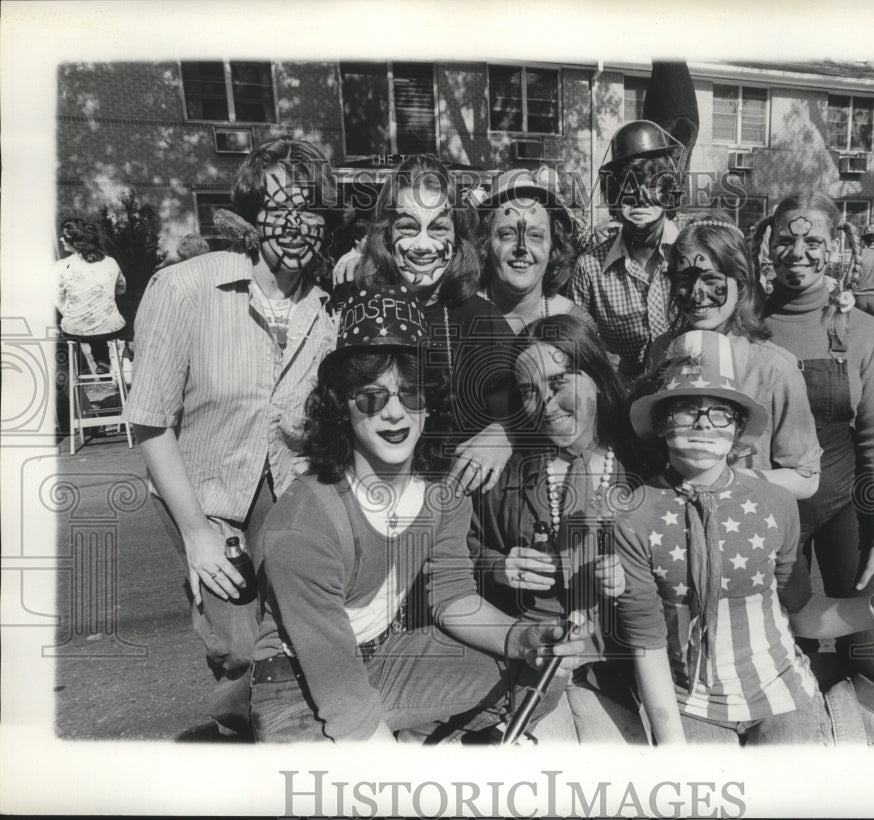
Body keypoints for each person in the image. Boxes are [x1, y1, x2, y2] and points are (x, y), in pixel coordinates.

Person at [250, 290, 588, 742]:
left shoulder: (443, 492)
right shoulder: (304, 518)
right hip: (296, 684)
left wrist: (521, 638)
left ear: (429, 402)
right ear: (341, 405)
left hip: (384, 658)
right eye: (371, 397)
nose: (394, 412)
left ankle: (417, 743)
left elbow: (454, 600)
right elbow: (335, 679)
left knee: (540, 671)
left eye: (411, 393)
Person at [616, 331, 874, 745]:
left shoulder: (774, 502)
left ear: (737, 429)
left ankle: (845, 709)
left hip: (780, 692)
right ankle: (844, 715)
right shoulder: (634, 512)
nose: (703, 423)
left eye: (719, 412)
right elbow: (646, 642)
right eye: (685, 410)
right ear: (661, 421)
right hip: (691, 704)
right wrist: (672, 747)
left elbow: (803, 612)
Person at [123, 136, 339, 735]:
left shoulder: (327, 310)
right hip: (207, 497)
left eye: (312, 210)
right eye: (281, 209)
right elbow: (149, 422)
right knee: (239, 647)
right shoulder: (184, 288)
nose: (297, 226)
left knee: (297, 637)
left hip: (289, 494)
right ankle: (237, 734)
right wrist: (197, 536)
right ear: (250, 215)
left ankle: (291, 740)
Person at [753, 191, 874, 705]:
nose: (797, 251)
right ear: (768, 243)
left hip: (843, 501)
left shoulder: (862, 330)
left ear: (836, 246)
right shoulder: (746, 323)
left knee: (873, 654)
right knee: (782, 658)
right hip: (772, 512)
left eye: (812, 240)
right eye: (786, 239)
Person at [469, 314, 646, 742]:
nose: (544, 404)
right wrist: (496, 565)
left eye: (559, 382)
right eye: (529, 391)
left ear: (598, 376)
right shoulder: (508, 468)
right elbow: (457, 551)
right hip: (530, 660)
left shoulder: (644, 463)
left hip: (618, 664)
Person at [353, 154, 516, 496]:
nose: (424, 245)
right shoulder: (363, 311)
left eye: (438, 227)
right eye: (408, 227)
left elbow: (529, 406)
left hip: (459, 507)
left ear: (456, 239)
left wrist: (505, 433)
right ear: (386, 235)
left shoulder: (480, 321)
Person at [647, 212, 821, 501]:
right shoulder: (663, 351)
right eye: (684, 281)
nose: (697, 294)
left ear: (740, 281)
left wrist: (727, 481)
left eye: (712, 279)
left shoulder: (774, 368)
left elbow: (806, 477)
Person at [569, 119, 689, 386]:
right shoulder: (589, 267)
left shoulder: (692, 252)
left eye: (652, 184)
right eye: (627, 187)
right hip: (622, 402)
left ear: (668, 191)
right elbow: (579, 347)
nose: (640, 197)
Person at [477, 168, 597, 335]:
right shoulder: (458, 316)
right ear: (485, 242)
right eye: (507, 234)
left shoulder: (577, 324)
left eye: (535, 236)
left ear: (553, 245)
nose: (522, 248)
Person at [54, 218, 127, 375]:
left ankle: (77, 372)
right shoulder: (110, 262)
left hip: (76, 329)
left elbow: (57, 299)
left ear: (78, 242)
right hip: (110, 328)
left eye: (65, 237)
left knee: (76, 326)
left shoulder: (61, 265)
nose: (61, 239)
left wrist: (74, 312)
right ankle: (102, 360)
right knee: (99, 321)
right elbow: (122, 289)